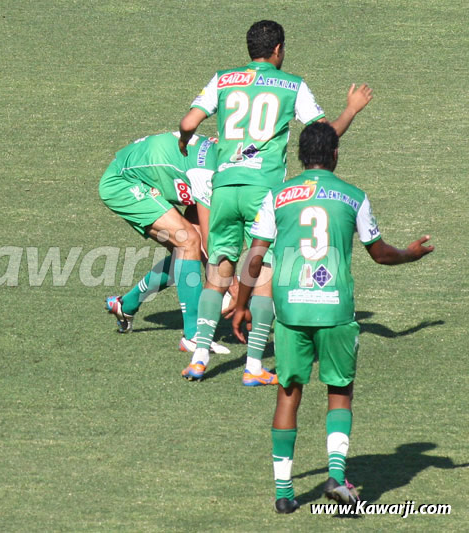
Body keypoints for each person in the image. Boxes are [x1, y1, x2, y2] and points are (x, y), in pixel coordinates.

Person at [231, 122, 433, 513]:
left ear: (300, 157)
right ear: (336, 154)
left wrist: (241, 304)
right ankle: (337, 476)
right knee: (339, 391)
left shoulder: (277, 196)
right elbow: (380, 253)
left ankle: (284, 493)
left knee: (288, 392)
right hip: (335, 309)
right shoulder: (354, 196)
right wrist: (410, 254)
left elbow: (255, 256)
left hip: (290, 310)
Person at [176, 19, 374, 385]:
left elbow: (189, 122)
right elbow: (324, 134)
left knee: (219, 268)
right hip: (263, 191)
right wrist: (352, 109)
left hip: (225, 188)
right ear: (279, 49)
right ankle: (253, 365)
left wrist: (185, 141)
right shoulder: (292, 85)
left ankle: (199, 357)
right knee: (264, 272)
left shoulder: (223, 79)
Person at [100, 131, 226, 354]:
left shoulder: (223, 161)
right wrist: (231, 287)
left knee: (187, 256)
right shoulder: (208, 171)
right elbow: (209, 243)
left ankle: (125, 305)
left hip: (148, 175)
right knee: (188, 242)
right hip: (123, 183)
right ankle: (193, 336)